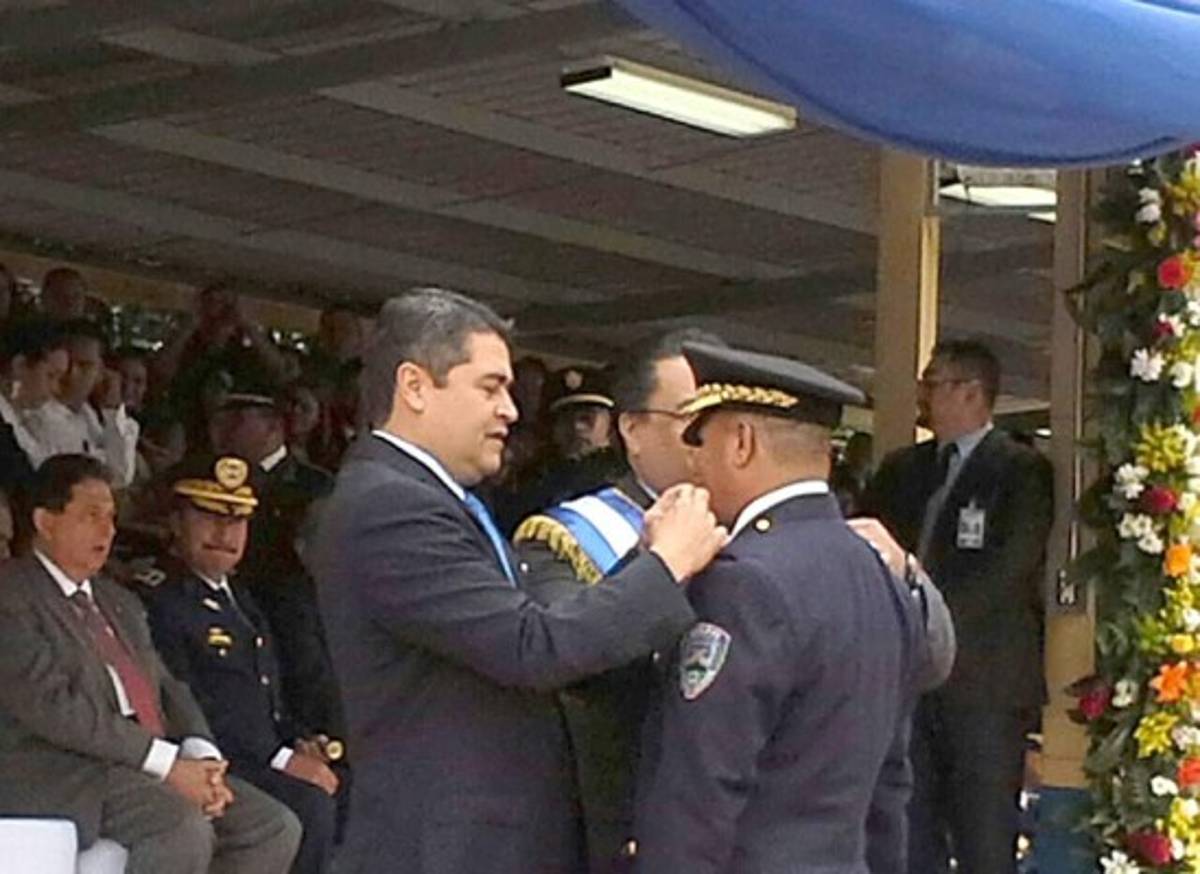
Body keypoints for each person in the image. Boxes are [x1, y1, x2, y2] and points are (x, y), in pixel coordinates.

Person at [311, 287, 726, 874]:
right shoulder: (390, 506)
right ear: (415, 387)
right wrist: (666, 565)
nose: (510, 409)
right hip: (446, 849)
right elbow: (532, 647)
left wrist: (649, 557)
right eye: (490, 387)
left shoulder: (431, 498)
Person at [634, 342, 926, 873]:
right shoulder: (878, 572)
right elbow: (889, 786)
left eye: (700, 440)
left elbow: (698, 790)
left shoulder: (740, 581)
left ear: (741, 442)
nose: (692, 462)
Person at [0, 454, 301, 874]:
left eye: (111, 517)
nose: (107, 531)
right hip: (63, 770)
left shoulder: (117, 600)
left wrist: (201, 752)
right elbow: (57, 709)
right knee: (180, 826)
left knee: (271, 826)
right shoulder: (13, 597)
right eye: (91, 516)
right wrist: (164, 762)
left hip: (140, 763)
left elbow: (166, 685)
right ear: (44, 521)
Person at [512, 327, 723, 872]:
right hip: (629, 819)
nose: (711, 435)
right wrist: (658, 565)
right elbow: (569, 663)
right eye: (690, 418)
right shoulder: (571, 535)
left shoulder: (758, 525)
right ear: (632, 428)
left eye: (723, 416)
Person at [861, 340, 1053, 874]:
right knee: (908, 830)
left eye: (933, 383)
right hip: (908, 681)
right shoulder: (903, 469)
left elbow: (1009, 568)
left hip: (984, 683)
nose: (923, 395)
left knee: (983, 836)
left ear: (971, 392)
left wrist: (928, 619)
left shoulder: (1020, 470)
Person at [138, 454, 339, 874]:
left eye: (237, 520)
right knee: (309, 805)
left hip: (260, 755)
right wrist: (281, 759)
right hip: (214, 761)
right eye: (208, 517)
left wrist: (298, 741)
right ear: (175, 522)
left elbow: (264, 695)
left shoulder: (240, 598)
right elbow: (184, 707)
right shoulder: (161, 600)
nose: (224, 533)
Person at [209, 384, 344, 749]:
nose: (224, 429)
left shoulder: (314, 484)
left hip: (295, 608)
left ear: (273, 426)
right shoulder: (210, 476)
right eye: (222, 419)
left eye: (239, 420)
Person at [25, 319, 139, 487]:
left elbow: (120, 476)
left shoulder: (93, 418)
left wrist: (113, 411)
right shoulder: (33, 414)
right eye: (67, 362)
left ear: (101, 372)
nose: (71, 373)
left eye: (84, 366)